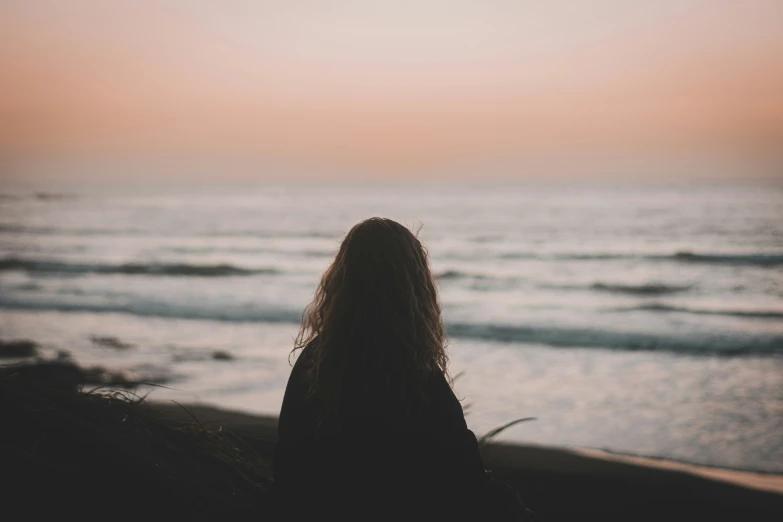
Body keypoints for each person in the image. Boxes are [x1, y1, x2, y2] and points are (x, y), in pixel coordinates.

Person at [273, 217, 527, 521]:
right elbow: (465, 477)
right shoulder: (414, 373)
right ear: (415, 289)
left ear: (342, 280)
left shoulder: (315, 361)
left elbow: (288, 462)